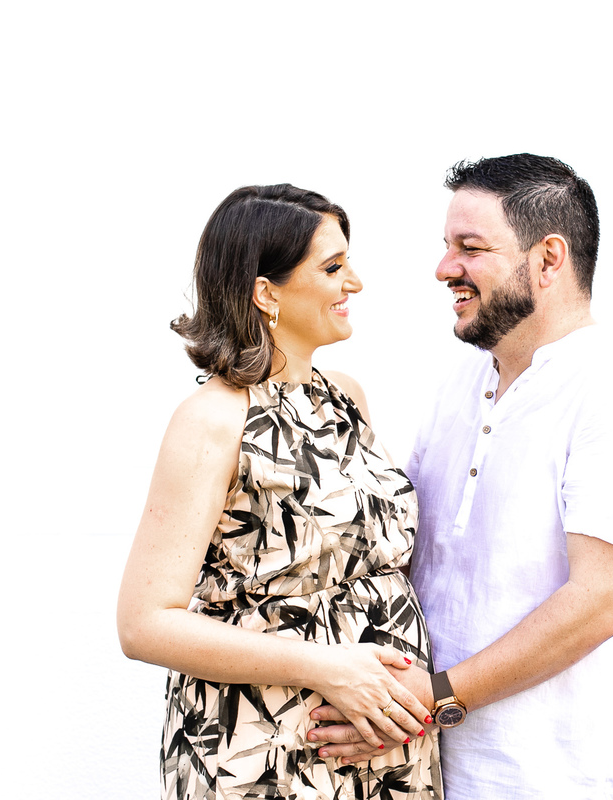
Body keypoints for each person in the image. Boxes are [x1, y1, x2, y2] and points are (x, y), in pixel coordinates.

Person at [309, 154, 613, 798]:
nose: (444, 268)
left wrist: (434, 698)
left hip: (552, 778)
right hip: (421, 770)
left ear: (548, 259)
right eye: (447, 246)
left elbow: (604, 598)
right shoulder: (460, 379)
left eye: (470, 248)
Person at [116, 184, 442, 800]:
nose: (355, 283)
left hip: (384, 740)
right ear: (266, 292)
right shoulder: (213, 420)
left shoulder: (345, 396)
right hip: (269, 748)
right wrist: (328, 668)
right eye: (333, 268)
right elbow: (144, 624)